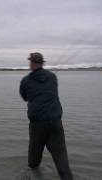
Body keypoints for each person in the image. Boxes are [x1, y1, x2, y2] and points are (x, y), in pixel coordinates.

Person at [19, 52, 73, 180]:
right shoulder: (53, 77)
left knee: (34, 158)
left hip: (37, 124)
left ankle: (33, 175)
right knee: (60, 157)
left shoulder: (26, 81)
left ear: (31, 63)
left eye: (30, 62)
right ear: (42, 63)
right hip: (55, 122)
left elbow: (25, 97)